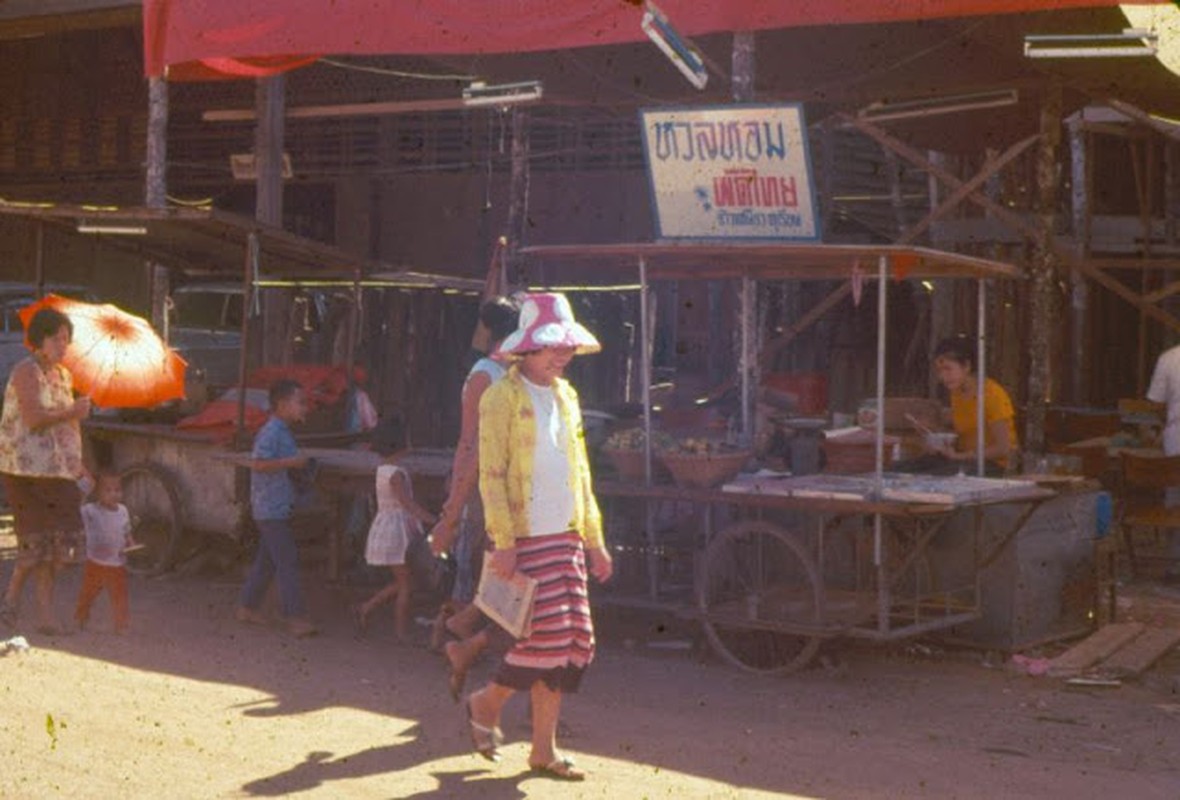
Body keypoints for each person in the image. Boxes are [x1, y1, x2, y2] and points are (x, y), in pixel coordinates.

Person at [464, 292, 612, 782]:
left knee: (574, 644)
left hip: (566, 535)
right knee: (546, 639)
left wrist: (594, 538)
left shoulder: (567, 396)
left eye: (565, 345)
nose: (562, 354)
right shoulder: (499, 397)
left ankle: (542, 750)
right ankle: (486, 702)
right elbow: (492, 473)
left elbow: (581, 472)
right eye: (552, 345)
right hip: (527, 537)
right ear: (525, 349)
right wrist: (503, 540)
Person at [428, 295, 520, 699]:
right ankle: (452, 633)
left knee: (485, 564)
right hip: (485, 484)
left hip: (498, 484)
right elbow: (471, 440)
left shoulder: (502, 372)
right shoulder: (491, 374)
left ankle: (457, 635)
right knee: (476, 561)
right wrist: (458, 490)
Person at [0, 307, 91, 635]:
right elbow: (35, 418)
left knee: (53, 545)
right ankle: (40, 613)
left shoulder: (64, 375)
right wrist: (71, 410)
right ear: (40, 340)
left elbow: (66, 431)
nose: (63, 345)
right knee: (35, 541)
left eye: (67, 339)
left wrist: (79, 465)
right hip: (25, 469)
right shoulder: (26, 371)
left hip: (57, 469)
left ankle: (18, 602)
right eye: (57, 338)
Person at [235, 378, 318, 638]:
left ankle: (247, 608)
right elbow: (258, 464)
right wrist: (292, 462)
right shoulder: (271, 432)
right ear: (282, 405)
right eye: (300, 403)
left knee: (267, 561)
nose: (305, 408)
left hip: (276, 507)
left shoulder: (282, 431)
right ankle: (295, 618)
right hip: (270, 508)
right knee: (287, 560)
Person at [354, 418, 437, 643]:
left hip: (390, 527)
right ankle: (401, 632)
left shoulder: (383, 469)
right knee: (406, 584)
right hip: (396, 531)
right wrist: (432, 519)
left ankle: (367, 607)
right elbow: (407, 503)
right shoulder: (396, 473)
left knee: (404, 580)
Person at [897, 335, 1018, 477]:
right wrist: (931, 430)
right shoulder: (957, 392)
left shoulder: (992, 395)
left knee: (931, 478)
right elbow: (962, 432)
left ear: (966, 366)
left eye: (948, 369)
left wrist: (960, 457)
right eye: (939, 371)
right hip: (962, 459)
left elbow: (1004, 449)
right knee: (900, 469)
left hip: (992, 465)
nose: (943, 376)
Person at [75, 471, 135, 634]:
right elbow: (77, 507)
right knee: (89, 592)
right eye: (108, 490)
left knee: (119, 595)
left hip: (117, 562)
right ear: (98, 493)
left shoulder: (123, 510)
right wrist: (84, 489)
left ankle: (121, 625)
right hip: (95, 562)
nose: (113, 494)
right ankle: (81, 616)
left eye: (117, 490)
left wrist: (130, 543)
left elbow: (126, 530)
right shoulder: (91, 511)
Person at [1145, 343, 1180, 583]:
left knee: (1175, 500)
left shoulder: (1169, 358)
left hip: (1176, 439)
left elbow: (1156, 404)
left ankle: (1176, 564)